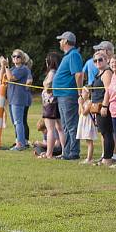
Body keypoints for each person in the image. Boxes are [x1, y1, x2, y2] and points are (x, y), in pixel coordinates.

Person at [53, 32, 84, 160]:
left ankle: (73, 152)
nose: (59, 42)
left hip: (68, 95)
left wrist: (79, 92)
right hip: (62, 95)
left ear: (65, 41)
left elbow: (79, 74)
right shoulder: (69, 55)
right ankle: (67, 152)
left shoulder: (74, 55)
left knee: (71, 125)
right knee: (66, 125)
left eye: (61, 40)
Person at [2, 49, 32, 151]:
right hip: (12, 98)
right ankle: (19, 142)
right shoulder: (13, 68)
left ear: (22, 58)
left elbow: (11, 78)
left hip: (18, 99)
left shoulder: (23, 69)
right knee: (16, 122)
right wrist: (3, 66)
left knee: (18, 122)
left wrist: (6, 66)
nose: (15, 58)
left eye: (18, 56)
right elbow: (4, 77)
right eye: (13, 56)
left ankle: (20, 144)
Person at [40, 52, 66, 159]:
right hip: (56, 102)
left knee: (50, 129)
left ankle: (49, 153)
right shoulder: (59, 72)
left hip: (50, 103)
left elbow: (48, 85)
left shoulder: (52, 72)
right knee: (60, 128)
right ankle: (65, 151)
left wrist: (46, 85)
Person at [92, 50, 116, 166]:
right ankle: (105, 157)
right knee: (104, 133)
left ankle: (108, 159)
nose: (97, 62)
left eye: (100, 59)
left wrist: (105, 106)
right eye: (95, 60)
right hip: (97, 107)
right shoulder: (98, 73)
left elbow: (108, 91)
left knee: (107, 133)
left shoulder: (107, 73)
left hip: (104, 106)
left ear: (106, 60)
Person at [76, 88, 97, 164]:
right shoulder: (83, 102)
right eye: (81, 92)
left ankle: (89, 159)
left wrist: (81, 104)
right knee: (87, 141)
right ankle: (88, 157)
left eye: (84, 92)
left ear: (88, 94)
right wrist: (80, 104)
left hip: (88, 122)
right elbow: (79, 113)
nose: (82, 94)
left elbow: (84, 113)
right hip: (83, 122)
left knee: (89, 141)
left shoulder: (89, 102)